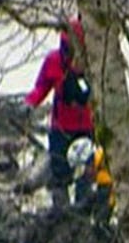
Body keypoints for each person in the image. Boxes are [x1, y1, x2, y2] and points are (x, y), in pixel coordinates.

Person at [25, 16, 94, 209]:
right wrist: (29, 104)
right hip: (60, 129)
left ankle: (83, 213)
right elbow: (40, 89)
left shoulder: (94, 65)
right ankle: (60, 214)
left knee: (86, 177)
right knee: (59, 176)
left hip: (86, 130)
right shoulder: (53, 61)